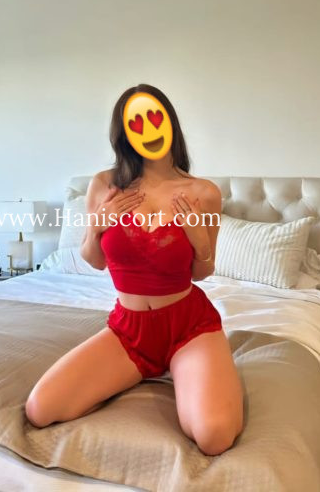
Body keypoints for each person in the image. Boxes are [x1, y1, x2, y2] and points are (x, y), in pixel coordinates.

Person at [25, 84, 244, 456]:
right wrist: (96, 227)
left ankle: (193, 367)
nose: (148, 128)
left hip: (189, 326)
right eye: (136, 122)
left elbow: (202, 272)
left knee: (214, 436)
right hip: (129, 330)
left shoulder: (203, 193)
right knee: (40, 409)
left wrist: (199, 241)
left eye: (154, 117)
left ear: (170, 122)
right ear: (124, 133)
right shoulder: (104, 186)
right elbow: (95, 260)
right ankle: (142, 371)